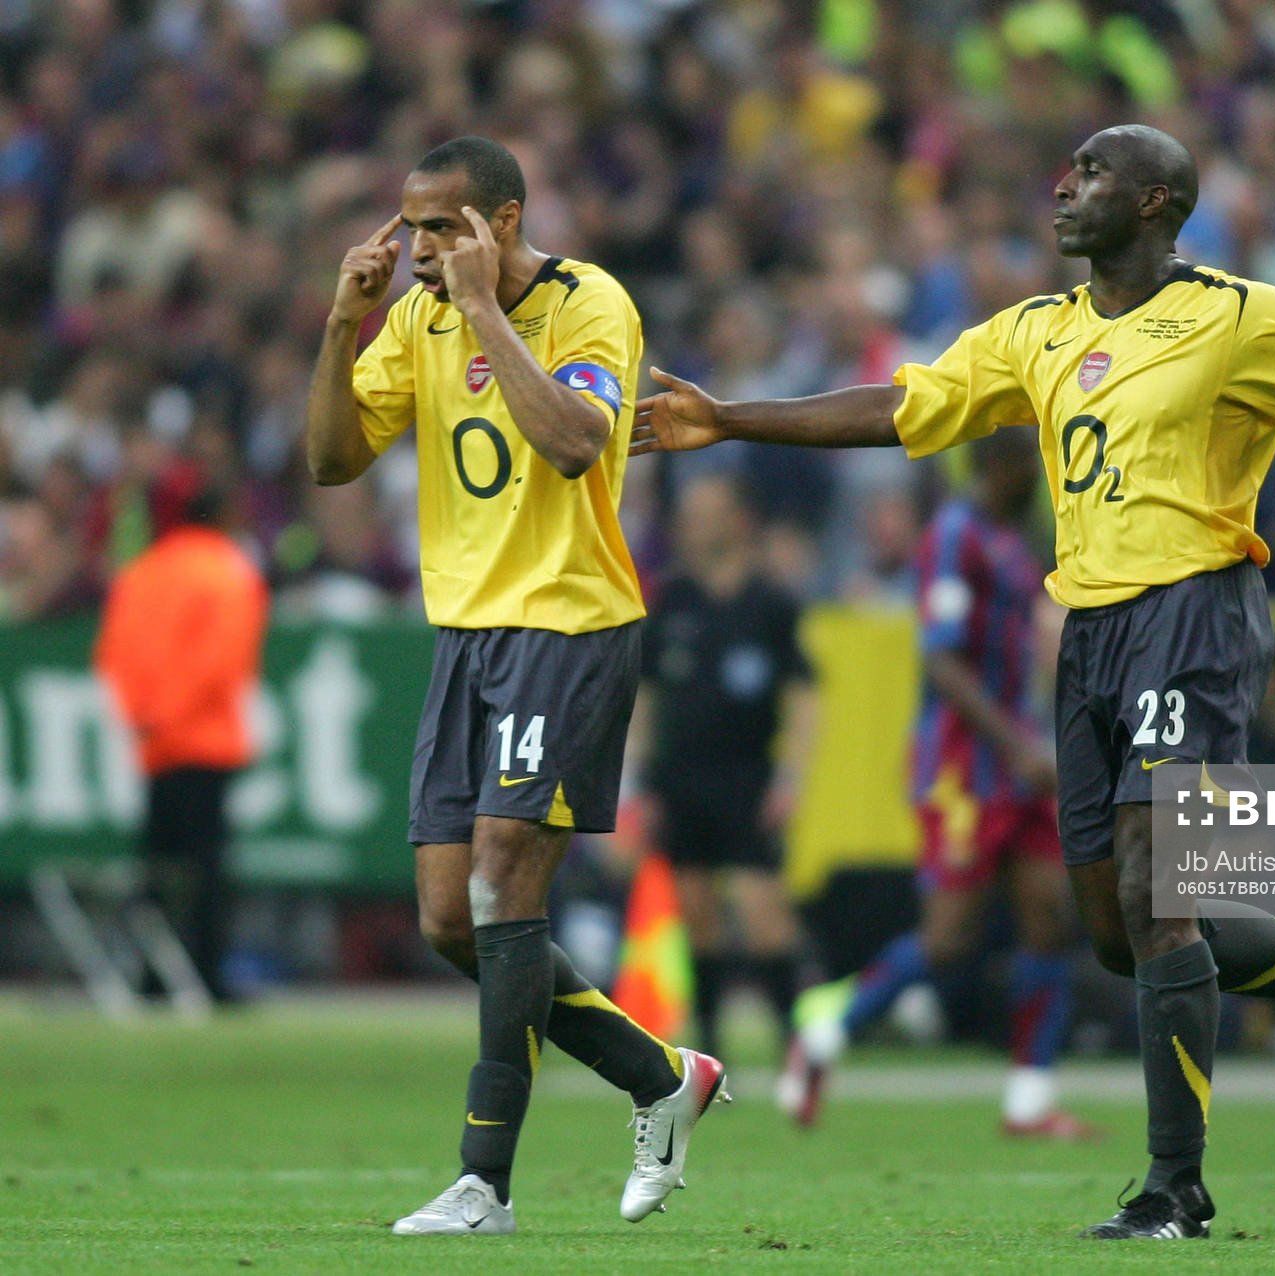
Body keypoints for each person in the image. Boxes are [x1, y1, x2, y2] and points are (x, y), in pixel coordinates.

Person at [634, 124, 1275, 1240]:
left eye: (1093, 172)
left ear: (1160, 202)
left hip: (1197, 614)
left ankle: (1174, 1187)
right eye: (1069, 169)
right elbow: (904, 407)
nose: (1063, 185)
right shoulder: (1035, 331)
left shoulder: (1238, 316)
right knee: (1122, 933)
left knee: (1157, 890)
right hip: (1088, 632)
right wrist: (730, 418)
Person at [304, 136, 725, 1237]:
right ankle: (662, 1077)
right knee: (454, 921)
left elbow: (580, 443)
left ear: (504, 219)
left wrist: (488, 311)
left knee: (501, 877)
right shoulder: (413, 320)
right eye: (410, 227)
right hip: (467, 634)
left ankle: (482, 1182)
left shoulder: (590, 303)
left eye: (443, 227)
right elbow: (330, 462)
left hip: (569, 622)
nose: (420, 249)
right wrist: (343, 324)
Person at [780, 428, 1096, 1140]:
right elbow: (943, 664)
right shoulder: (954, 537)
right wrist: (1018, 746)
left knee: (1051, 915)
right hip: (964, 769)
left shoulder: (1011, 541)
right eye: (1031, 466)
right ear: (1001, 464)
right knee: (949, 939)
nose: (1039, 480)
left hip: (1019, 763)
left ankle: (1028, 1102)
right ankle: (825, 1032)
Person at [636, 472, 816, 1057]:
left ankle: (794, 1042)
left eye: (708, 510)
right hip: (681, 777)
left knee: (763, 910)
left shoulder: (770, 603)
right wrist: (639, 780)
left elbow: (805, 692)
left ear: (738, 521)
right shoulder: (672, 599)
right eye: (690, 511)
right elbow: (646, 693)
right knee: (696, 911)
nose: (695, 522)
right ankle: (709, 1047)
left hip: (747, 776)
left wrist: (791, 777)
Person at [94, 480, 268, 1004]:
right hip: (204, 740)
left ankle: (151, 975)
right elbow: (221, 662)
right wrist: (178, 715)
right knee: (206, 870)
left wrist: (148, 717)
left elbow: (112, 657)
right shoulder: (227, 572)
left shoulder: (141, 573)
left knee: (158, 867)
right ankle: (205, 978)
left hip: (154, 744)